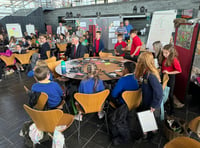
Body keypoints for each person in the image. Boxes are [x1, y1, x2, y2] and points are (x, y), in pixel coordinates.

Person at [135, 51, 163, 140]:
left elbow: (159, 93)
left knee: (149, 118)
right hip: (148, 100)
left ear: (143, 63)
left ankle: (148, 134)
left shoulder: (151, 76)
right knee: (148, 118)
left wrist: (154, 105)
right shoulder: (148, 72)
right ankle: (149, 133)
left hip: (152, 103)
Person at [159, 44, 182, 115]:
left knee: (170, 94)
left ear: (171, 52)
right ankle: (164, 104)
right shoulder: (165, 58)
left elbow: (179, 71)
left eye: (166, 53)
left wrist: (169, 72)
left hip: (171, 77)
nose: (164, 54)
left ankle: (172, 110)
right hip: (164, 75)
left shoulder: (174, 60)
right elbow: (164, 66)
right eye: (163, 53)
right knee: (163, 91)